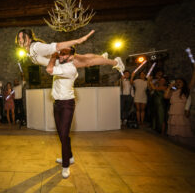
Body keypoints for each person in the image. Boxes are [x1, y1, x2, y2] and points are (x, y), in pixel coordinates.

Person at [15, 29, 125, 72]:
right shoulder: (29, 51)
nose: (20, 40)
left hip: (63, 60)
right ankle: (101, 57)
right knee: (85, 57)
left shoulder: (36, 47)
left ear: (29, 39)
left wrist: (77, 41)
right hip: (60, 61)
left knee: (88, 62)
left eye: (23, 37)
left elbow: (57, 46)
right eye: (19, 38)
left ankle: (115, 62)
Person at [46, 47, 79, 179]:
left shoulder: (71, 69)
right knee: (61, 134)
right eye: (60, 52)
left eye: (64, 53)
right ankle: (69, 156)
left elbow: (49, 69)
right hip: (57, 103)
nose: (60, 55)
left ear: (71, 56)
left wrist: (53, 57)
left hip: (67, 104)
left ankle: (66, 166)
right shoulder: (60, 64)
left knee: (64, 134)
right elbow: (45, 61)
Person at [165, 78, 194, 147]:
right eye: (177, 82)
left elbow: (192, 82)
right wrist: (169, 87)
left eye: (180, 82)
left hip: (181, 113)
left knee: (181, 129)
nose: (178, 83)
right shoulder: (173, 91)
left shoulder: (186, 91)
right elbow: (166, 96)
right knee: (174, 130)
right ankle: (175, 145)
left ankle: (183, 145)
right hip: (173, 112)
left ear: (183, 83)